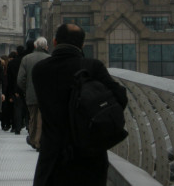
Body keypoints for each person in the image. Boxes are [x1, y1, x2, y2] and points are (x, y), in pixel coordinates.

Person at [32, 23, 128, 186]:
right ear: (82, 44)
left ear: (54, 42)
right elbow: (120, 98)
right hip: (89, 154)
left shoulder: (39, 69)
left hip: (52, 156)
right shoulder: (92, 67)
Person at [17, 36, 50, 151]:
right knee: (42, 118)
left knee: (32, 118)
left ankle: (33, 139)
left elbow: (20, 79)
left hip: (30, 93)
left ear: (35, 46)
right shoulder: (50, 58)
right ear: (46, 46)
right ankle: (38, 141)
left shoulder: (26, 59)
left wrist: (26, 89)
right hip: (46, 95)